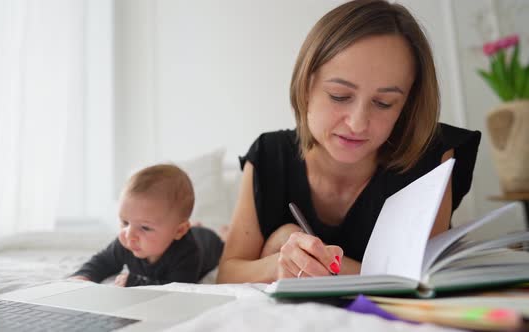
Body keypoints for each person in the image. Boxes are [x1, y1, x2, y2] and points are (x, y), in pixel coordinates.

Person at [217, 0, 481, 283]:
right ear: (306, 87)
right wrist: (279, 262)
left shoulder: (430, 157)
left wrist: (316, 263)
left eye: (384, 103)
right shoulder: (269, 156)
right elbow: (228, 274)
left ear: (407, 105)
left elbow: (422, 280)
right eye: (339, 96)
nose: (357, 123)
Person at [71, 164, 223, 286]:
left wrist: (136, 283)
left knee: (222, 244)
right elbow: (102, 262)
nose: (129, 234)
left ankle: (223, 233)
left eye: (145, 227)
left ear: (179, 231)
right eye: (125, 222)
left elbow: (179, 288)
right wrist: (83, 276)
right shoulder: (127, 241)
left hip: (209, 242)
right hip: (188, 231)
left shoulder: (188, 252)